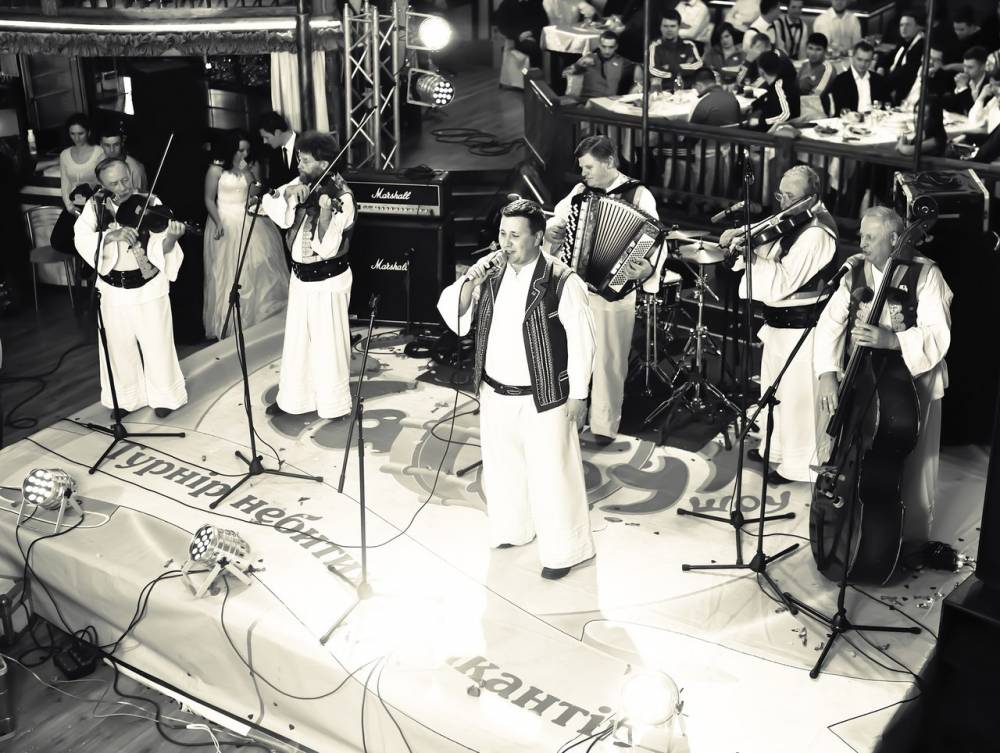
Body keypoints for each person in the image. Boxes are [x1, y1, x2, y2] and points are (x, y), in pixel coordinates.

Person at [436, 199, 597, 580]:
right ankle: (513, 528)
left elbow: (583, 340)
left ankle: (565, 550)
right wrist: (471, 279)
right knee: (502, 468)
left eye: (515, 236)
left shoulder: (562, 281)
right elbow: (454, 312)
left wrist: (579, 395)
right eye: (502, 234)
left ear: (538, 237)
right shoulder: (490, 273)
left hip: (544, 397)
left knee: (553, 475)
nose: (506, 243)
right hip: (495, 392)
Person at [814, 206, 952, 553]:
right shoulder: (855, 272)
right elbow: (829, 324)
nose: (861, 243)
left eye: (870, 237)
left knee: (913, 463)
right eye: (861, 235)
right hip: (864, 377)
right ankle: (851, 524)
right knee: (855, 448)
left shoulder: (926, 274)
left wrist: (892, 340)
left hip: (913, 380)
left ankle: (910, 539)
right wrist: (828, 373)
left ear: (894, 239)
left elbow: (939, 333)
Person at [719, 166, 838, 485]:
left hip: (802, 328)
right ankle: (776, 449)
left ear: (811, 198)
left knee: (798, 400)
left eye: (790, 196)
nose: (783, 203)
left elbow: (784, 281)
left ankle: (798, 466)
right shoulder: (794, 217)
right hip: (778, 324)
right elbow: (766, 235)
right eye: (780, 195)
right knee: (775, 393)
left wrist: (753, 258)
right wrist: (739, 236)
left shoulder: (816, 233)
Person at [545, 135, 657, 445]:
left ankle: (604, 426)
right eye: (582, 168)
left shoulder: (639, 194)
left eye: (588, 167)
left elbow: (653, 241)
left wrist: (646, 269)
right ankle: (572, 418)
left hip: (615, 293)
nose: (583, 174)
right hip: (579, 288)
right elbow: (557, 220)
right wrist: (554, 231)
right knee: (572, 353)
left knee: (609, 361)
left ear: (609, 162)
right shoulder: (580, 192)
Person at [73, 157, 188, 420]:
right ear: (102, 185)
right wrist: (110, 235)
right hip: (113, 289)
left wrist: (171, 238)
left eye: (125, 180)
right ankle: (126, 397)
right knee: (118, 347)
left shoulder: (150, 202)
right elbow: (81, 238)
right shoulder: (95, 206)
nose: (123, 187)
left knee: (158, 344)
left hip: (148, 285)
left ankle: (165, 396)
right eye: (114, 183)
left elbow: (161, 245)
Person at [258, 131, 355, 420]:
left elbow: (327, 248)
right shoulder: (302, 182)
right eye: (299, 159)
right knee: (298, 342)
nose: (299, 165)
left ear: (324, 164)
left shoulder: (342, 197)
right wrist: (289, 194)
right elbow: (270, 205)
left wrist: (325, 215)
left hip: (327, 281)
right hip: (300, 279)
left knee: (328, 344)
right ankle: (293, 399)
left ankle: (334, 404)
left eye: (305, 161)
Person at [202, 129, 288, 340]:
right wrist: (218, 221)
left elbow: (255, 192)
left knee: (259, 265)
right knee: (227, 270)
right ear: (231, 149)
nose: (244, 154)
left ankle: (257, 319)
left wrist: (246, 170)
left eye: (246, 150)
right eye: (240, 150)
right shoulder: (215, 170)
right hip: (224, 218)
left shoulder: (248, 166)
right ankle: (227, 322)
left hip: (248, 217)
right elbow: (209, 199)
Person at [825, 41, 891, 116]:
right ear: (852, 58)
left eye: (867, 61)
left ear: (871, 61)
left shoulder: (878, 80)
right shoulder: (841, 81)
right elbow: (841, 109)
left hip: (876, 120)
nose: (863, 64)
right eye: (859, 59)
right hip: (850, 120)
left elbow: (887, 104)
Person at [563, 31, 636, 99]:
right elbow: (565, 73)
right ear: (599, 45)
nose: (607, 51)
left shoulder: (622, 62)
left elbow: (639, 69)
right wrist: (578, 65)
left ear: (616, 47)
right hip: (586, 101)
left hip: (608, 102)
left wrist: (634, 89)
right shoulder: (589, 58)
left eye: (611, 47)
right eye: (604, 46)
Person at [59, 113, 103, 217]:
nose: (76, 138)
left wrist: (96, 206)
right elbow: (65, 184)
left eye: (80, 133)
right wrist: (70, 207)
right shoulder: (64, 154)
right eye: (72, 134)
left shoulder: (99, 152)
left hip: (96, 206)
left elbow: (104, 183)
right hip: (73, 205)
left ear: (89, 132)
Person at [648, 10, 702, 91]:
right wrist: (681, 70)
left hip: (688, 91)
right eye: (665, 26)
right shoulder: (654, 46)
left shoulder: (689, 45)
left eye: (672, 26)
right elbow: (653, 70)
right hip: (665, 91)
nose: (669, 29)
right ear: (660, 27)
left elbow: (698, 65)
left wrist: (670, 67)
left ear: (678, 27)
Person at [882, 10, 925, 106]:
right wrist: (880, 67)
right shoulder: (904, 42)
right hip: (892, 84)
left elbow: (906, 72)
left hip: (904, 91)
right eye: (901, 25)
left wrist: (883, 81)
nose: (903, 28)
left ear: (918, 27)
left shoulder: (920, 46)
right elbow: (888, 57)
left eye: (908, 25)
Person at [749, 50, 800, 129]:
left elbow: (785, 115)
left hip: (776, 132)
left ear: (761, 71)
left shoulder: (780, 86)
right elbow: (766, 97)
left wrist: (760, 122)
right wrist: (753, 105)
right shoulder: (777, 83)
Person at [493, 0, 550, 67]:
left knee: (540, 49)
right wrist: (519, 35)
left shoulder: (536, 3)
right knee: (529, 50)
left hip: (535, 37)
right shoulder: (506, 4)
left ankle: (532, 71)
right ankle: (526, 72)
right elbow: (503, 27)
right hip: (515, 39)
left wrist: (531, 32)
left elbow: (544, 22)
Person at [257, 111, 299, 191]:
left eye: (267, 137)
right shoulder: (273, 152)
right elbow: (274, 185)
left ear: (277, 132)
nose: (264, 142)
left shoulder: (305, 144)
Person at [98, 124, 147, 192]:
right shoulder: (100, 159)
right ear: (101, 145)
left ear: (122, 143)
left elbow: (139, 196)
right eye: (107, 145)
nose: (112, 150)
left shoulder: (135, 169)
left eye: (116, 145)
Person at [942, 46, 989, 115]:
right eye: (964, 66)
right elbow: (952, 108)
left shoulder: (989, 85)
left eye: (970, 67)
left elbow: (972, 114)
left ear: (983, 67)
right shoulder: (965, 81)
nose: (965, 70)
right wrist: (958, 89)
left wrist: (963, 89)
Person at [967, 67, 1000, 133]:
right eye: (991, 85)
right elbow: (974, 120)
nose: (993, 89)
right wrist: (981, 98)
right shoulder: (994, 101)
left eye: (998, 85)